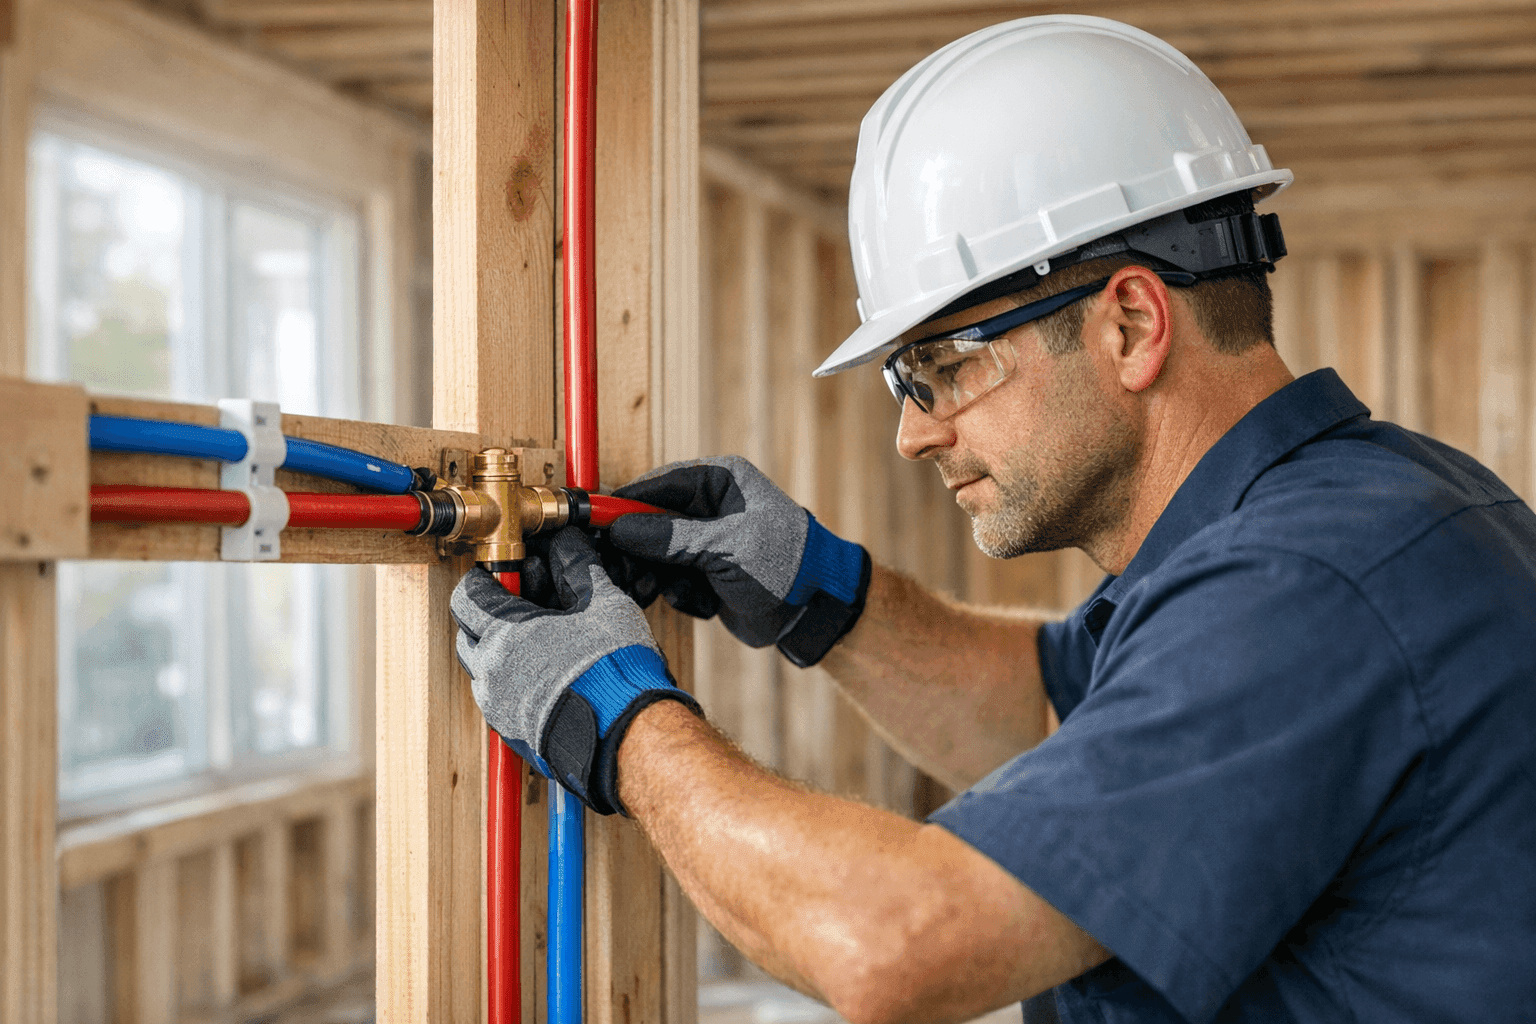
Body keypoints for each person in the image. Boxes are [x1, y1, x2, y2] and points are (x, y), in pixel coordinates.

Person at [450, 16, 1536, 1024]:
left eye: (942, 367)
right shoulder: (1352, 511)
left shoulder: (1309, 583)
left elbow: (897, 943)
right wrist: (827, 598)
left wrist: (623, 721)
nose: (913, 436)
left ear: (1128, 324)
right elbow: (1057, 715)